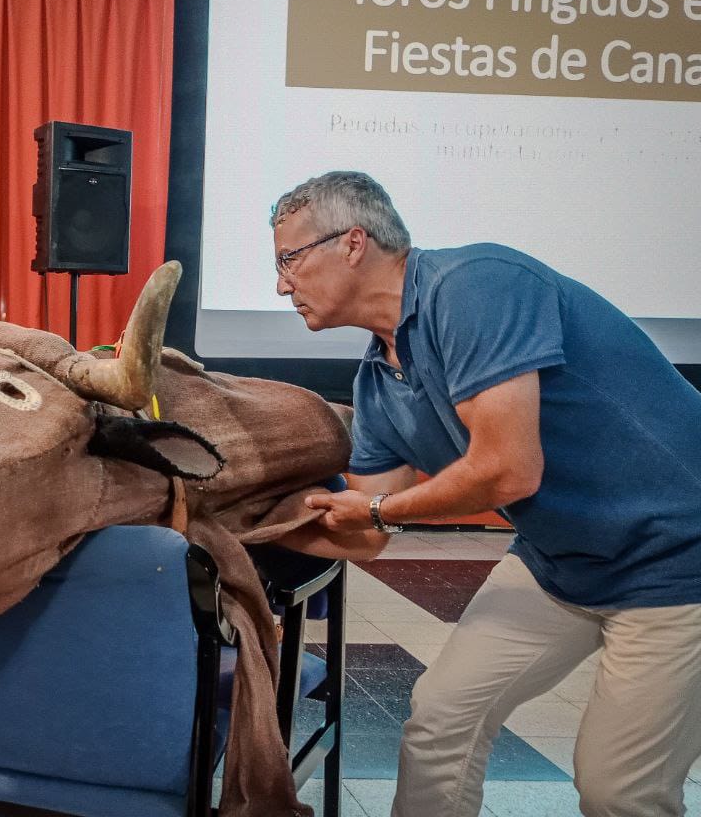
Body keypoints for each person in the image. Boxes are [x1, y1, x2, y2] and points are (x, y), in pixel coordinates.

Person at [270, 170, 701, 817]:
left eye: (289, 260)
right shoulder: (377, 383)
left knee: (619, 789)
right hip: (560, 562)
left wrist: (378, 510)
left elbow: (508, 471)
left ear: (353, 242)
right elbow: (364, 536)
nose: (281, 285)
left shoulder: (475, 285)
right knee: (441, 723)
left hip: (681, 559)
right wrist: (242, 522)